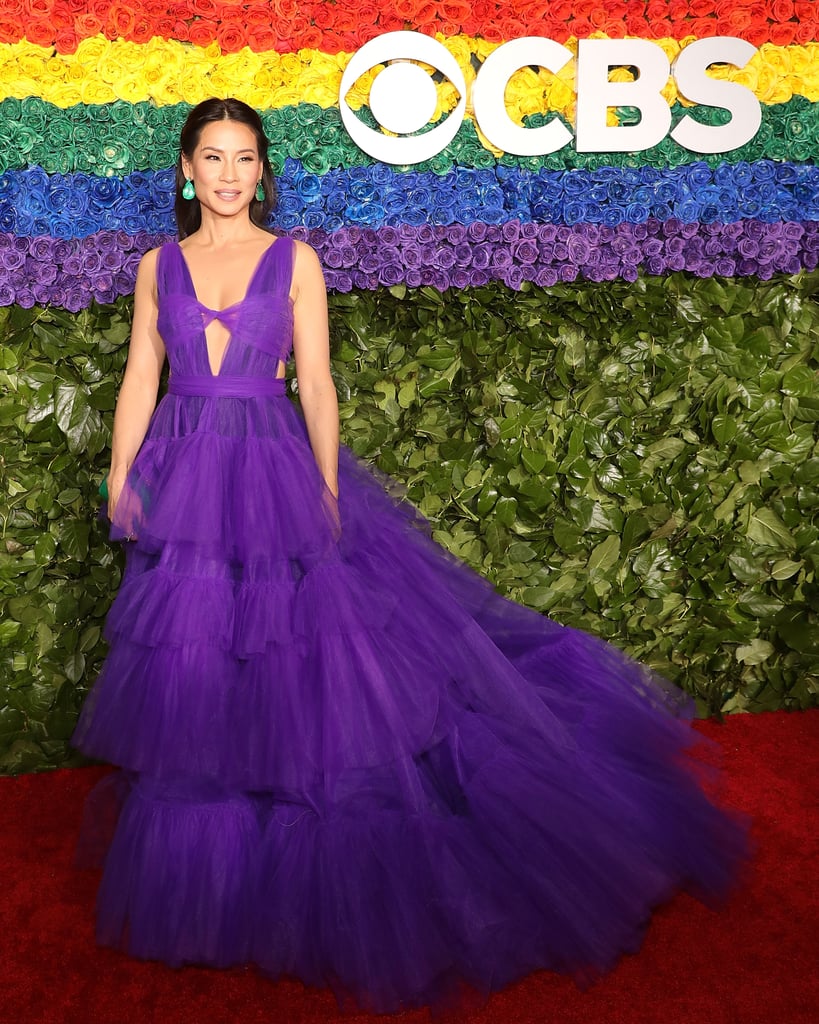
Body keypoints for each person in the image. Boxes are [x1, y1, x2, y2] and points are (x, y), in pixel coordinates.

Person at [72, 98, 751, 1015]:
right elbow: (138, 376)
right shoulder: (159, 265)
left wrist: (321, 486)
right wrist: (121, 475)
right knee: (199, 657)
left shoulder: (294, 260)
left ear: (261, 172)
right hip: (185, 476)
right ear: (185, 171)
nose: (228, 175)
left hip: (273, 472)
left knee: (294, 652)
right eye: (211, 158)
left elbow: (313, 379)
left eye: (243, 159)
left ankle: (309, 840)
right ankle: (219, 864)